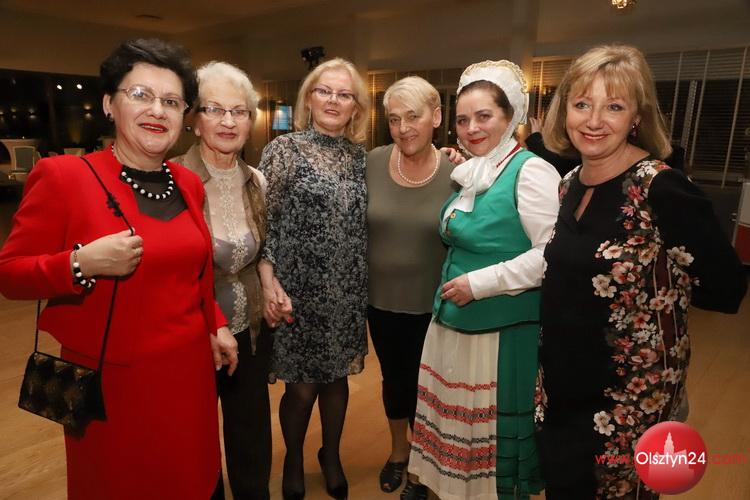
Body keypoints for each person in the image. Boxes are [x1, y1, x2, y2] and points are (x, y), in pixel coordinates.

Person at [0, 39, 237, 499]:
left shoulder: (189, 183)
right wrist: (80, 263)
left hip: (189, 376)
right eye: (141, 94)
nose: (157, 110)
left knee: (193, 478)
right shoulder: (64, 177)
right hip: (112, 387)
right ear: (110, 104)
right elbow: (10, 274)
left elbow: (192, 272)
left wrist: (217, 324)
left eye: (172, 101)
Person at [536, 44, 747, 499]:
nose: (594, 120)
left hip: (628, 398)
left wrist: (655, 299)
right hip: (561, 383)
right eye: (582, 104)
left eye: (614, 107)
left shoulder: (660, 187)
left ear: (637, 116)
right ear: (564, 111)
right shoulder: (569, 183)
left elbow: (726, 286)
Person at [407, 60, 559, 500]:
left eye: (484, 116)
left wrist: (479, 284)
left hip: (499, 332)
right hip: (455, 326)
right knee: (458, 440)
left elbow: (551, 255)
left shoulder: (531, 171)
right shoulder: (475, 170)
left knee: (490, 454)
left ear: (510, 116)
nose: (471, 128)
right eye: (462, 119)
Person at [171, 61, 286, 500]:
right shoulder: (172, 180)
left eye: (239, 111)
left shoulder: (257, 181)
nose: (228, 121)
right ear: (194, 119)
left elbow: (262, 249)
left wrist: (271, 285)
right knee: (195, 438)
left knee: (251, 433)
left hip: (250, 331)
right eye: (214, 109)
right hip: (193, 335)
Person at [257, 57, 370, 500]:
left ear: (356, 106)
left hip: (346, 290)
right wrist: (268, 279)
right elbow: (263, 220)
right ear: (309, 98)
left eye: (344, 94)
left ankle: (332, 455)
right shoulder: (283, 150)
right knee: (302, 389)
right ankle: (293, 459)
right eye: (324, 91)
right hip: (297, 292)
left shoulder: (361, 158)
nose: (333, 100)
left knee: (337, 382)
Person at [366, 76, 458, 495]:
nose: (403, 128)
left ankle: (423, 466)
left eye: (413, 116)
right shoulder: (371, 162)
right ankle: (398, 451)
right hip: (381, 302)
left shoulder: (458, 172)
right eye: (394, 119)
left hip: (434, 303)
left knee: (428, 388)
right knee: (394, 380)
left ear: (436, 117)